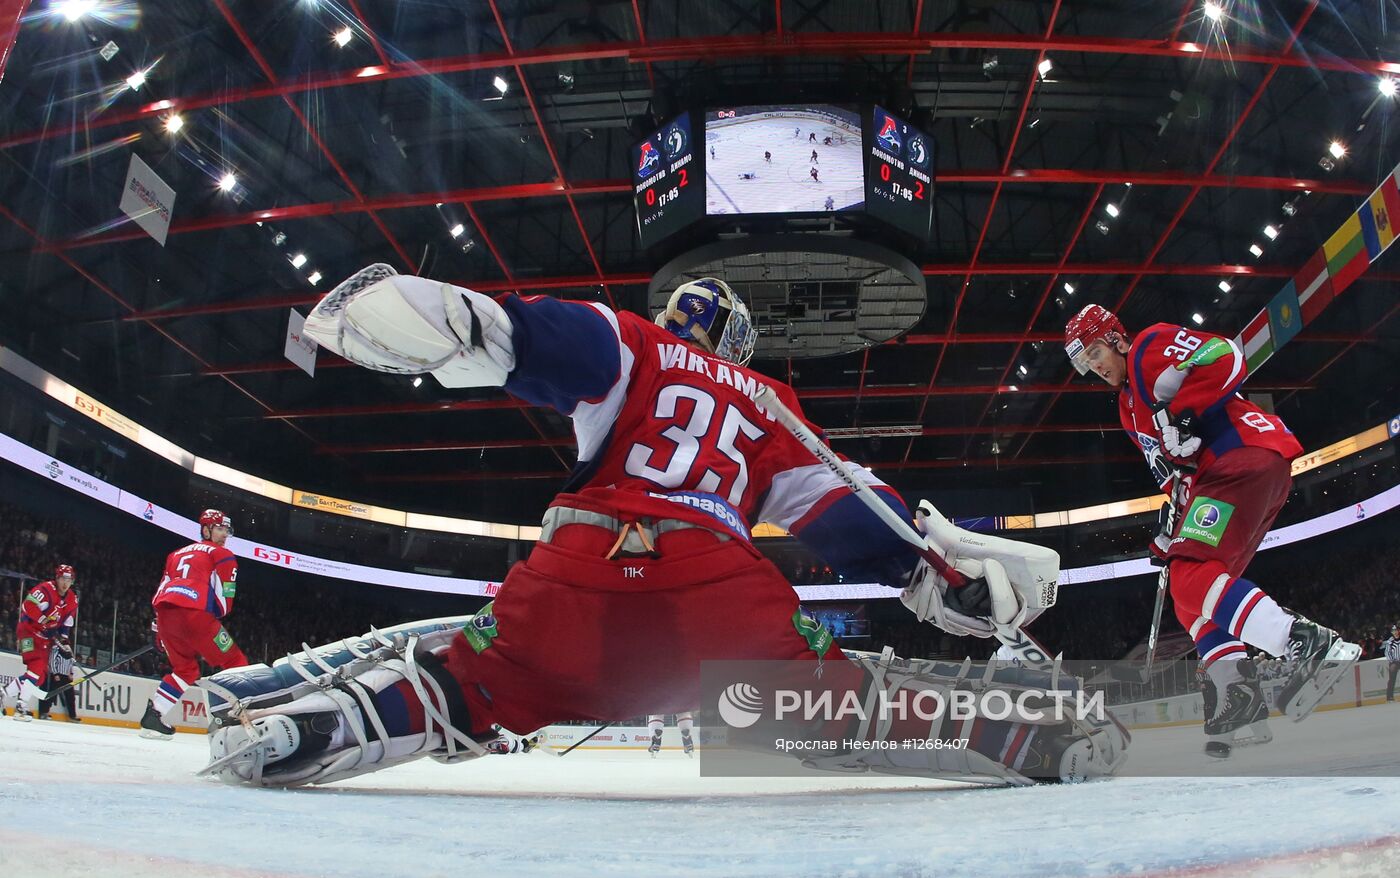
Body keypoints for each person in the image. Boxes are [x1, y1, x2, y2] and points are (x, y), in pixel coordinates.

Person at [200, 264, 1118, 787]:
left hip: (578, 573)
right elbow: (856, 520)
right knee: (845, 702)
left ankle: (298, 732)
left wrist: (421, 313)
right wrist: (940, 576)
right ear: (735, 337)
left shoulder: (630, 340)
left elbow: (502, 334)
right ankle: (1037, 738)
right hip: (717, 589)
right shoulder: (772, 400)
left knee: (465, 684)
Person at [1064, 304, 1361, 756]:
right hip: (1227, 475)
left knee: (1192, 579)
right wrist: (1174, 520)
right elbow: (1173, 469)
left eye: (1096, 351)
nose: (1095, 366)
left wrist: (1184, 409)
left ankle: (1306, 643)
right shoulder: (1127, 408)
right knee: (1190, 598)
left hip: (1239, 456)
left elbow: (1226, 354)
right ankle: (1240, 696)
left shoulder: (1149, 346)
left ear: (1116, 338)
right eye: (1086, 362)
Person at [141, 509, 249, 739]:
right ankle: (240, 720)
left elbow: (162, 588)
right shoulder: (223, 554)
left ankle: (155, 714)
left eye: (226, 530)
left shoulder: (176, 554)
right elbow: (225, 596)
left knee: (186, 670)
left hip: (165, 614)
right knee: (236, 662)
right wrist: (216, 615)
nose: (224, 535)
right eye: (220, 529)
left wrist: (158, 627)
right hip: (196, 615)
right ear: (206, 529)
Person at [2, 564, 79, 721]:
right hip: (27, 633)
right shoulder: (45, 590)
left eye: (69, 579)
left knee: (40, 676)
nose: (65, 583)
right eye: (62, 579)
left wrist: (65, 643)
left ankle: (4, 693)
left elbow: (66, 624)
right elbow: (28, 606)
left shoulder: (72, 599)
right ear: (56, 578)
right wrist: (44, 622)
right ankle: (21, 707)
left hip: (44, 638)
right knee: (36, 668)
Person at [38, 639, 81, 722]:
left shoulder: (69, 652)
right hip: (58, 676)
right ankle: (44, 712)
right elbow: (52, 662)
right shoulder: (56, 650)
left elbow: (71, 663)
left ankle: (72, 716)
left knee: (70, 696)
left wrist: (71, 673)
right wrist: (55, 673)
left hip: (66, 676)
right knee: (51, 694)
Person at [1384, 624, 1400, 702]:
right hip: (1394, 661)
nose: (1395, 632)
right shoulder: (1390, 641)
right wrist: (1391, 661)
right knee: (1392, 679)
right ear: (1392, 632)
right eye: (1393, 631)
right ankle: (1389, 697)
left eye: (1396, 630)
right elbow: (1387, 652)